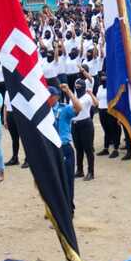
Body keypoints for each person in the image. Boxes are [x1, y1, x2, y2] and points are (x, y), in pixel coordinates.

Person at [49, 84, 82, 214]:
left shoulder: (63, 109)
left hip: (64, 148)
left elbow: (78, 108)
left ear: (56, 97)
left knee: (66, 180)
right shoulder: (44, 112)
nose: (47, 98)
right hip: (50, 149)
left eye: (50, 96)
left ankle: (68, 210)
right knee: (52, 181)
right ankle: (55, 209)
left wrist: (68, 91)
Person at [72, 78, 98, 181]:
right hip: (75, 124)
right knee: (78, 149)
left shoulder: (87, 97)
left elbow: (96, 104)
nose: (77, 88)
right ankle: (80, 170)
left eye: (79, 86)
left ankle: (91, 172)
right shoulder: (72, 97)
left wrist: (91, 94)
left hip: (85, 124)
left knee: (88, 149)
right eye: (76, 86)